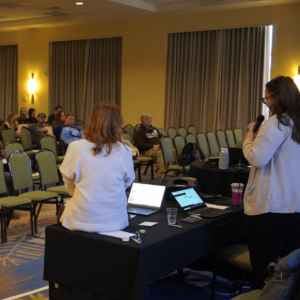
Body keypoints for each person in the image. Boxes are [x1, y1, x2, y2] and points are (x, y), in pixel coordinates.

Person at [243, 76, 300, 289]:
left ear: (277, 98)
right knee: (289, 272)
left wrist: (249, 137)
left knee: (265, 272)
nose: (266, 103)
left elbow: (257, 157)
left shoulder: (277, 121)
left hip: (271, 208)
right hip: (295, 205)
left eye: (266, 98)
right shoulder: (297, 122)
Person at [59, 102, 135, 233]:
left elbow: (68, 181)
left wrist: (86, 197)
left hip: (82, 218)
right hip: (116, 220)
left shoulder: (76, 147)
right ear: (118, 123)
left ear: (92, 120)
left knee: (67, 208)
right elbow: (127, 182)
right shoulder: (125, 150)